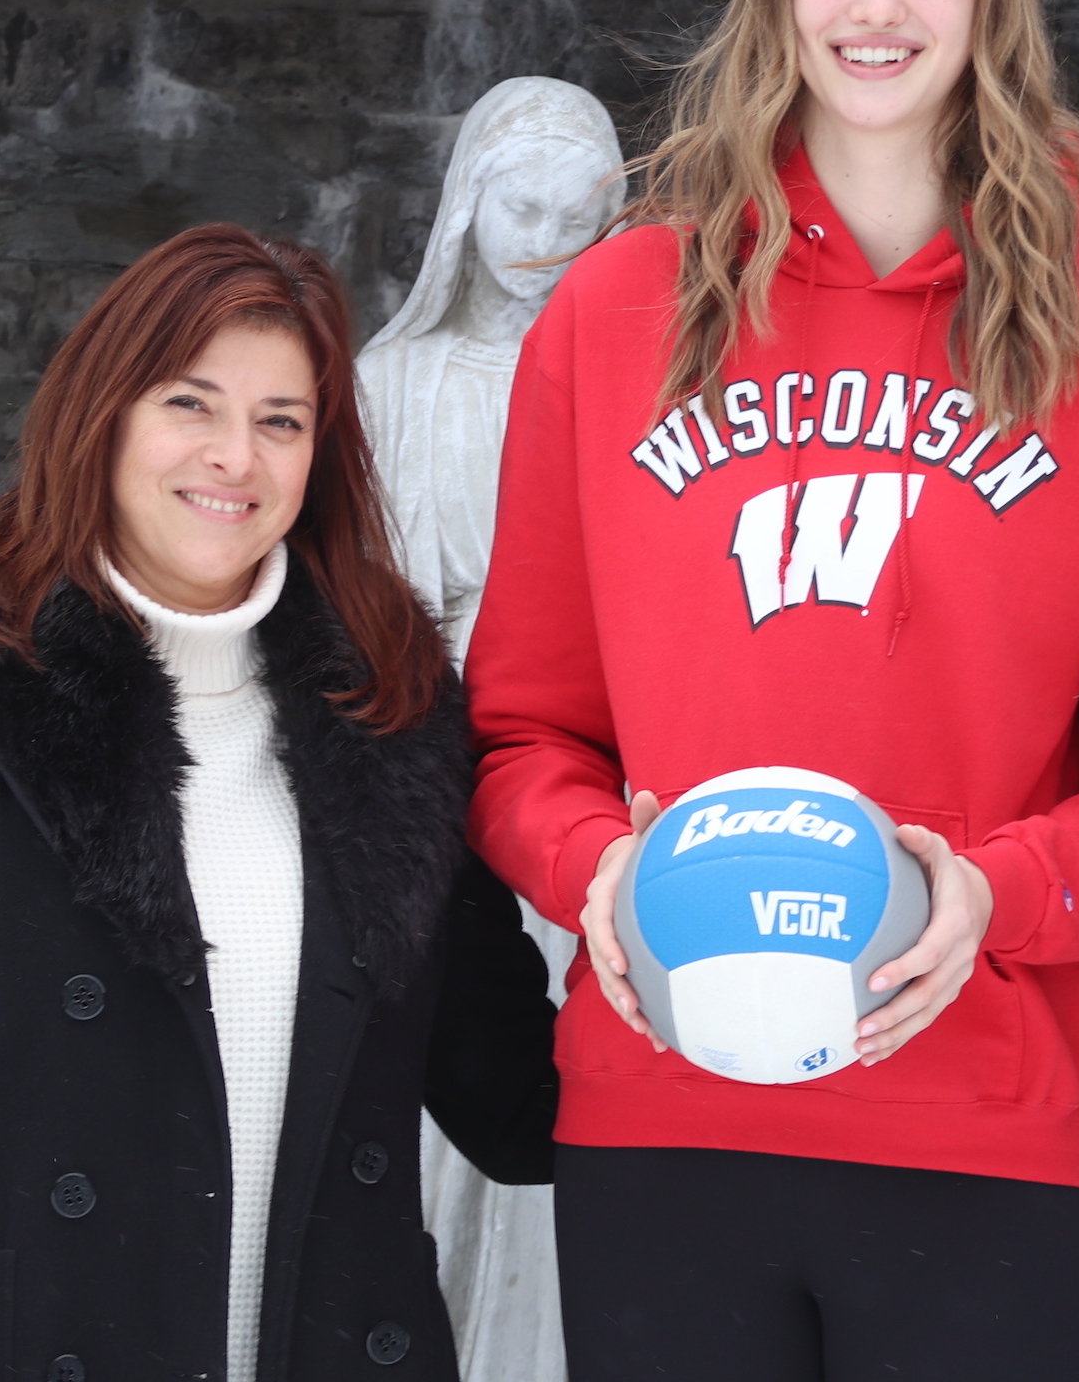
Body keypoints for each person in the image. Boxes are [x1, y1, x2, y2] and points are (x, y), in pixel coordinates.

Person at [464, 0, 1079, 1382]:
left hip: (983, 1123)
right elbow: (522, 740)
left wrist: (983, 894)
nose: (876, 8)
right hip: (661, 1121)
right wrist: (597, 872)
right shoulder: (611, 316)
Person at [0, 224, 560, 1382]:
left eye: (281, 420)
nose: (236, 455)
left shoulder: (397, 708)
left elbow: (513, 1096)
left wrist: (683, 915)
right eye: (192, 403)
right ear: (106, 413)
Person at [359, 74, 627, 1382]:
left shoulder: (629, 378)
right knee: (442, 1105)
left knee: (574, 1114)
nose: (544, 242)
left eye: (581, 217)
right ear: (465, 203)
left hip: (587, 788)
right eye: (522, 206)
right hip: (433, 780)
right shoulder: (389, 384)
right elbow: (363, 610)